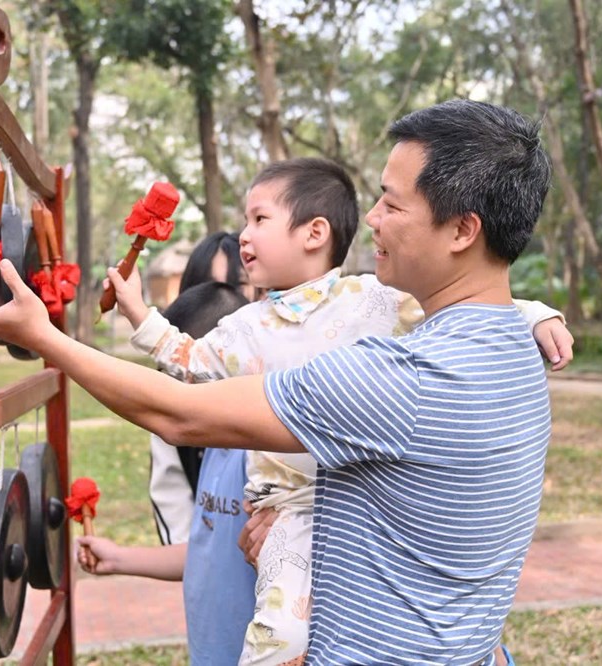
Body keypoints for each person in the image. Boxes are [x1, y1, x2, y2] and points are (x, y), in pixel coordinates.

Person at [0, 99, 564, 664]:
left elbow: (178, 413)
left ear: (462, 231)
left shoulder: (401, 376)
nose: (374, 219)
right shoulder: (517, 349)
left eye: (391, 203)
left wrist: (44, 337)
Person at [104, 158, 567, 665]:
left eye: (259, 220)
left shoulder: (375, 298)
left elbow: (474, 308)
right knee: (276, 633)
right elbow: (186, 360)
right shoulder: (244, 327)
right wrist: (138, 314)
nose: (243, 235)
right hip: (286, 509)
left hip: (356, 504)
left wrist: (537, 317)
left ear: (314, 233)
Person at [79, 280, 256, 665]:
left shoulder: (264, 461)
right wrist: (120, 560)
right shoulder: (213, 450)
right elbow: (209, 554)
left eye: (179, 379)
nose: (170, 397)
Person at [150, 231, 250, 546]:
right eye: (208, 288)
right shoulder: (173, 380)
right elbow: (172, 494)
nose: (223, 303)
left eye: (235, 286)